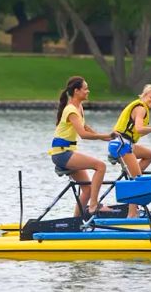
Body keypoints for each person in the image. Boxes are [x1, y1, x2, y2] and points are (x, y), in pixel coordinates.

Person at [49, 76, 116, 217]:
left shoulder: (79, 107)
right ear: (76, 91)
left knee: (87, 189)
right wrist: (102, 136)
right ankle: (93, 205)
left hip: (66, 152)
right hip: (61, 154)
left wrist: (106, 137)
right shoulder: (71, 110)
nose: (88, 91)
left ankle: (76, 223)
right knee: (100, 166)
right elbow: (83, 134)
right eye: (85, 89)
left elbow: (86, 127)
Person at [109, 84, 151, 218]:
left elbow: (137, 133)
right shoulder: (141, 108)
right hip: (121, 145)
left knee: (149, 155)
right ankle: (131, 214)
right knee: (138, 181)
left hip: (123, 143)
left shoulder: (142, 108)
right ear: (144, 96)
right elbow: (140, 129)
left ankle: (132, 174)